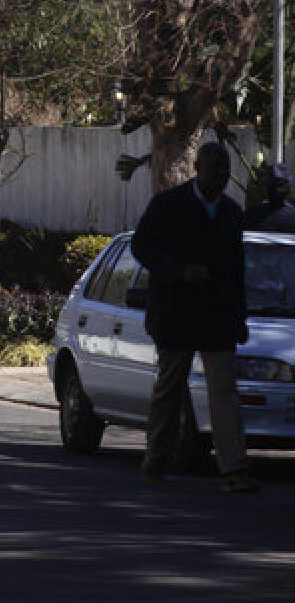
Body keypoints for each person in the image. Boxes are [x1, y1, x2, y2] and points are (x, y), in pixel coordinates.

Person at [130, 141, 259, 492]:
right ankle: (156, 459)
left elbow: (236, 271)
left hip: (217, 316)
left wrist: (239, 317)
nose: (220, 177)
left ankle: (233, 468)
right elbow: (141, 246)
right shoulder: (168, 206)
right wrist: (179, 271)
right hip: (176, 313)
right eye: (214, 169)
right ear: (198, 168)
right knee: (170, 388)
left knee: (224, 391)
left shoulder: (232, 214)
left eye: (225, 170)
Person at [243, 163, 295, 233]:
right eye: (274, 183)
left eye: (280, 184)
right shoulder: (250, 215)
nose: (277, 189)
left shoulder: (250, 215)